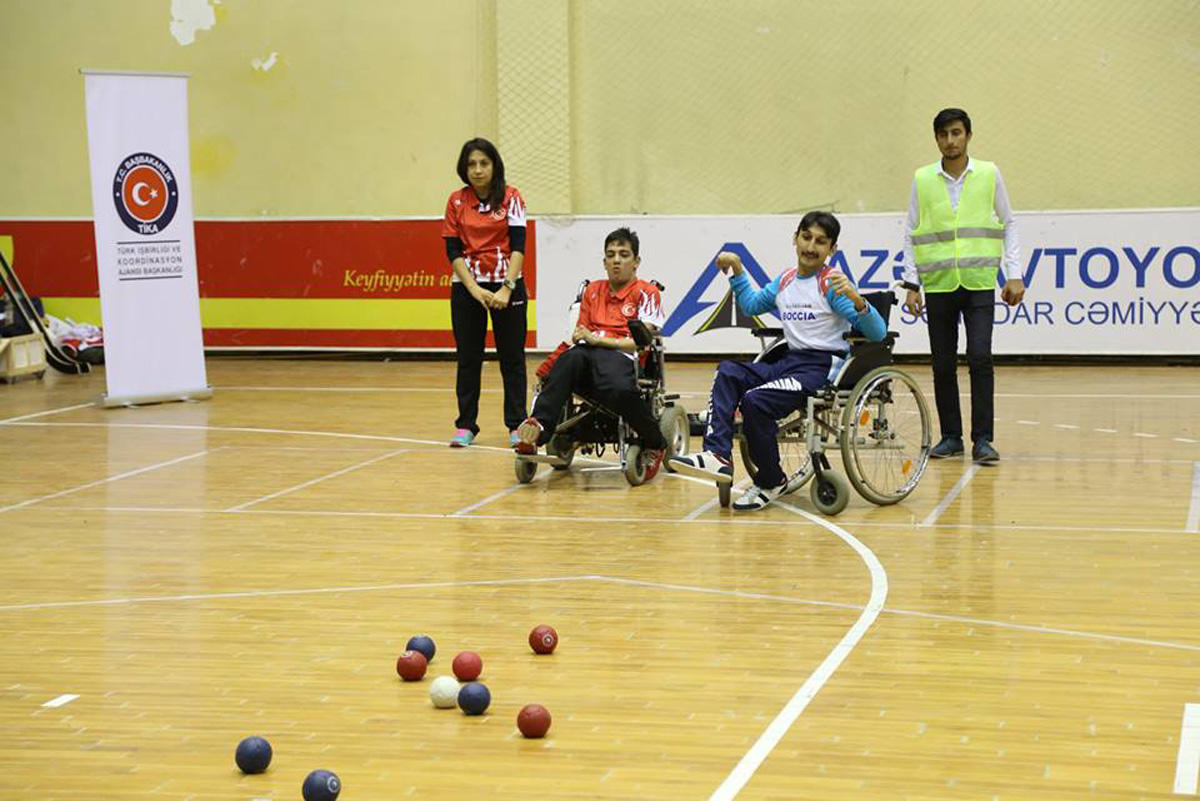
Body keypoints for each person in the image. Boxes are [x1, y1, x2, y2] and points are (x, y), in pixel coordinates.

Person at [670, 212, 885, 511]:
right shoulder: (785, 280)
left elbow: (878, 333)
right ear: (795, 238)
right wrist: (736, 270)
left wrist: (858, 300)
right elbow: (751, 304)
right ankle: (717, 455)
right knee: (728, 372)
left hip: (821, 367)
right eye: (806, 237)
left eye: (821, 242)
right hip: (788, 360)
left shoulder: (831, 286)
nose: (811, 247)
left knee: (755, 401)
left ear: (832, 250)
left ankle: (771, 480)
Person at [900, 108, 1025, 464]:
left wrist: (1013, 273)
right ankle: (951, 436)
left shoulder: (989, 174)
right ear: (936, 139)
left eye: (956, 133)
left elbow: (1009, 222)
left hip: (978, 283)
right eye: (943, 134)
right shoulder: (922, 179)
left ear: (968, 135)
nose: (950, 140)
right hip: (938, 285)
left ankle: (983, 439)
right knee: (942, 364)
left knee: (980, 358)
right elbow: (911, 232)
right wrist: (912, 284)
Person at [513, 227, 669, 481]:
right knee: (570, 359)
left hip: (623, 359)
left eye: (624, 254)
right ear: (604, 261)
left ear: (636, 261)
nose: (616, 260)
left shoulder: (646, 293)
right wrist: (551, 366)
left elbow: (644, 341)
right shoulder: (592, 291)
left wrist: (599, 339)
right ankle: (538, 428)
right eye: (611, 255)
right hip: (587, 357)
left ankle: (655, 442)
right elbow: (578, 335)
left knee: (616, 387)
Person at [441, 137, 529, 448]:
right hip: (468, 288)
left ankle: (518, 425)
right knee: (468, 358)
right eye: (471, 164)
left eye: (484, 163)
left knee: (512, 359)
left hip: (508, 285)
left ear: (494, 166)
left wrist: (506, 287)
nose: (477, 170)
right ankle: (466, 425)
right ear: (464, 169)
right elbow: (453, 250)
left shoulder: (512, 197)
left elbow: (519, 246)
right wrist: (473, 288)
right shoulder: (455, 201)